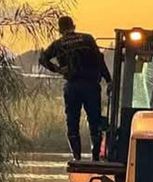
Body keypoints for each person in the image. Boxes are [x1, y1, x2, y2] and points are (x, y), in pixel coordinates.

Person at [39, 16, 112, 161]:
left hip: (72, 86)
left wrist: (58, 69)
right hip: (91, 85)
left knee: (72, 122)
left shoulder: (58, 44)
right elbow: (100, 60)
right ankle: (95, 157)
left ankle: (77, 157)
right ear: (74, 26)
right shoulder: (87, 39)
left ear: (60, 30)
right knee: (95, 122)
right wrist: (108, 79)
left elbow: (42, 59)